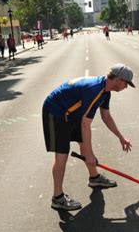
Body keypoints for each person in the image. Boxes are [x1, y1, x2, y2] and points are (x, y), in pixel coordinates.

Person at [43, 63, 134, 211]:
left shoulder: (105, 92)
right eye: (126, 83)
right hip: (56, 112)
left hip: (71, 113)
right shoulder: (94, 90)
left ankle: (94, 178)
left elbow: (106, 116)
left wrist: (121, 137)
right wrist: (90, 154)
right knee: (62, 154)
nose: (126, 87)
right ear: (118, 79)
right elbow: (86, 124)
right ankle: (57, 198)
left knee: (83, 142)